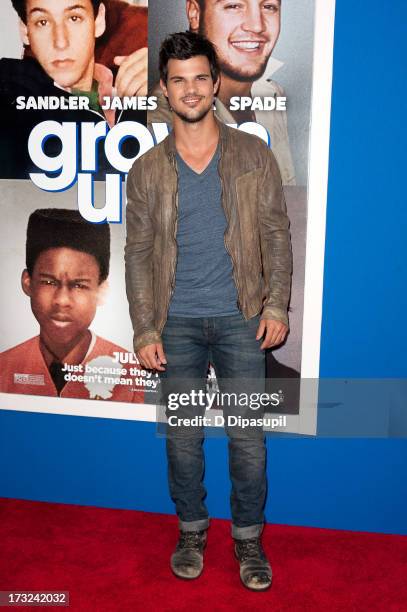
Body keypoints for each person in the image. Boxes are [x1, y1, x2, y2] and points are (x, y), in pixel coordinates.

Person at [125, 32, 292, 591]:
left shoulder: (253, 155)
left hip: (243, 319)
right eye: (179, 79)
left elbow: (276, 235)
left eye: (201, 77)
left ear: (215, 83)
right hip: (175, 325)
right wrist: (145, 324)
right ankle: (192, 528)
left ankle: (248, 538)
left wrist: (275, 304)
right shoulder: (147, 170)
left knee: (248, 440)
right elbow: (139, 253)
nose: (191, 89)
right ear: (165, 90)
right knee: (182, 437)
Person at [0, 208, 144, 404]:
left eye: (79, 285)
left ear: (101, 290)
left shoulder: (135, 376)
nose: (62, 300)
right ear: (27, 282)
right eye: (49, 282)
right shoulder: (4, 368)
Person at [148, 0, 295, 186]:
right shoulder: (162, 117)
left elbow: (286, 193)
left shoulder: (271, 94)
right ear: (194, 13)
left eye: (268, 6)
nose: (257, 26)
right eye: (233, 6)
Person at [0, 0, 148, 178]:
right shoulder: (12, 88)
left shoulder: (137, 89)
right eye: (43, 22)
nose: (60, 42)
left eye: (74, 18)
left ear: (98, 21)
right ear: (25, 30)